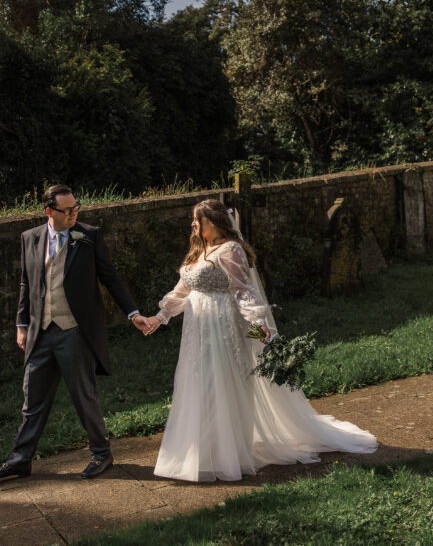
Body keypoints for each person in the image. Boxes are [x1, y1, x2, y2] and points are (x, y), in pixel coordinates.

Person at [134, 198, 377, 482]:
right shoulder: (200, 250)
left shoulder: (230, 250)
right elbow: (182, 291)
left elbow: (245, 294)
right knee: (198, 383)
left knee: (220, 383)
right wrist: (157, 318)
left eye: (197, 220)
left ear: (211, 222)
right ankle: (200, 450)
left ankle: (228, 454)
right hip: (197, 331)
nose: (193, 224)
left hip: (223, 327)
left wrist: (263, 335)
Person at [0, 184, 149, 480]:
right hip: (41, 331)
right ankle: (21, 459)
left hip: (74, 330)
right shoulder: (30, 238)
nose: (74, 213)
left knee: (83, 396)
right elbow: (26, 283)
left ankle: (102, 454)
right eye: (68, 209)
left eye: (76, 208)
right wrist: (22, 324)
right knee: (32, 399)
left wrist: (133, 313)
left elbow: (110, 277)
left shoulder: (89, 235)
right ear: (50, 211)